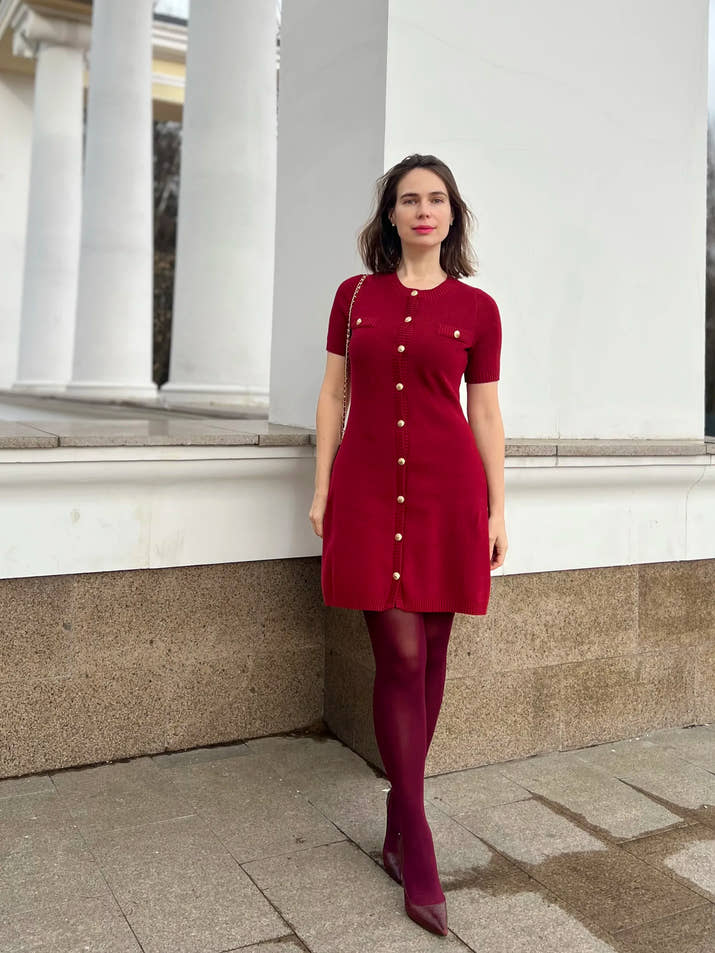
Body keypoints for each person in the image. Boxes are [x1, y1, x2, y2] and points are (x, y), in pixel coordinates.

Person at [309, 153, 507, 937]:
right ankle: (416, 838)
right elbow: (332, 394)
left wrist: (497, 506)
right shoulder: (353, 297)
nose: (422, 210)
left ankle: (399, 815)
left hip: (446, 492)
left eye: (435, 199)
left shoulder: (479, 308)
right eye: (407, 199)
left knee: (432, 654)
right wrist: (322, 486)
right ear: (388, 215)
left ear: (452, 215)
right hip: (364, 489)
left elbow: (484, 413)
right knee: (399, 658)